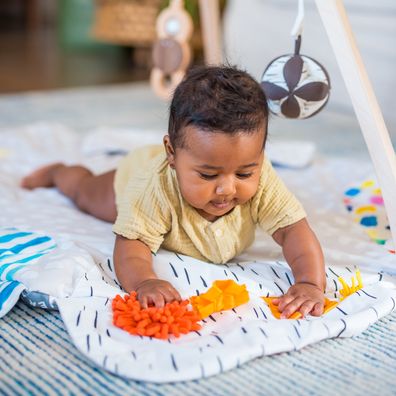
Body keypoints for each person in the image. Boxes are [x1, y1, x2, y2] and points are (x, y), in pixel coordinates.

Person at [21, 65, 325, 318]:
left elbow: (293, 230)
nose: (227, 188)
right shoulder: (152, 190)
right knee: (84, 192)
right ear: (171, 153)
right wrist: (145, 281)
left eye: (245, 172)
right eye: (208, 174)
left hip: (184, 159)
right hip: (129, 180)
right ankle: (59, 172)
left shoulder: (263, 178)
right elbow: (132, 245)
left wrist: (310, 282)